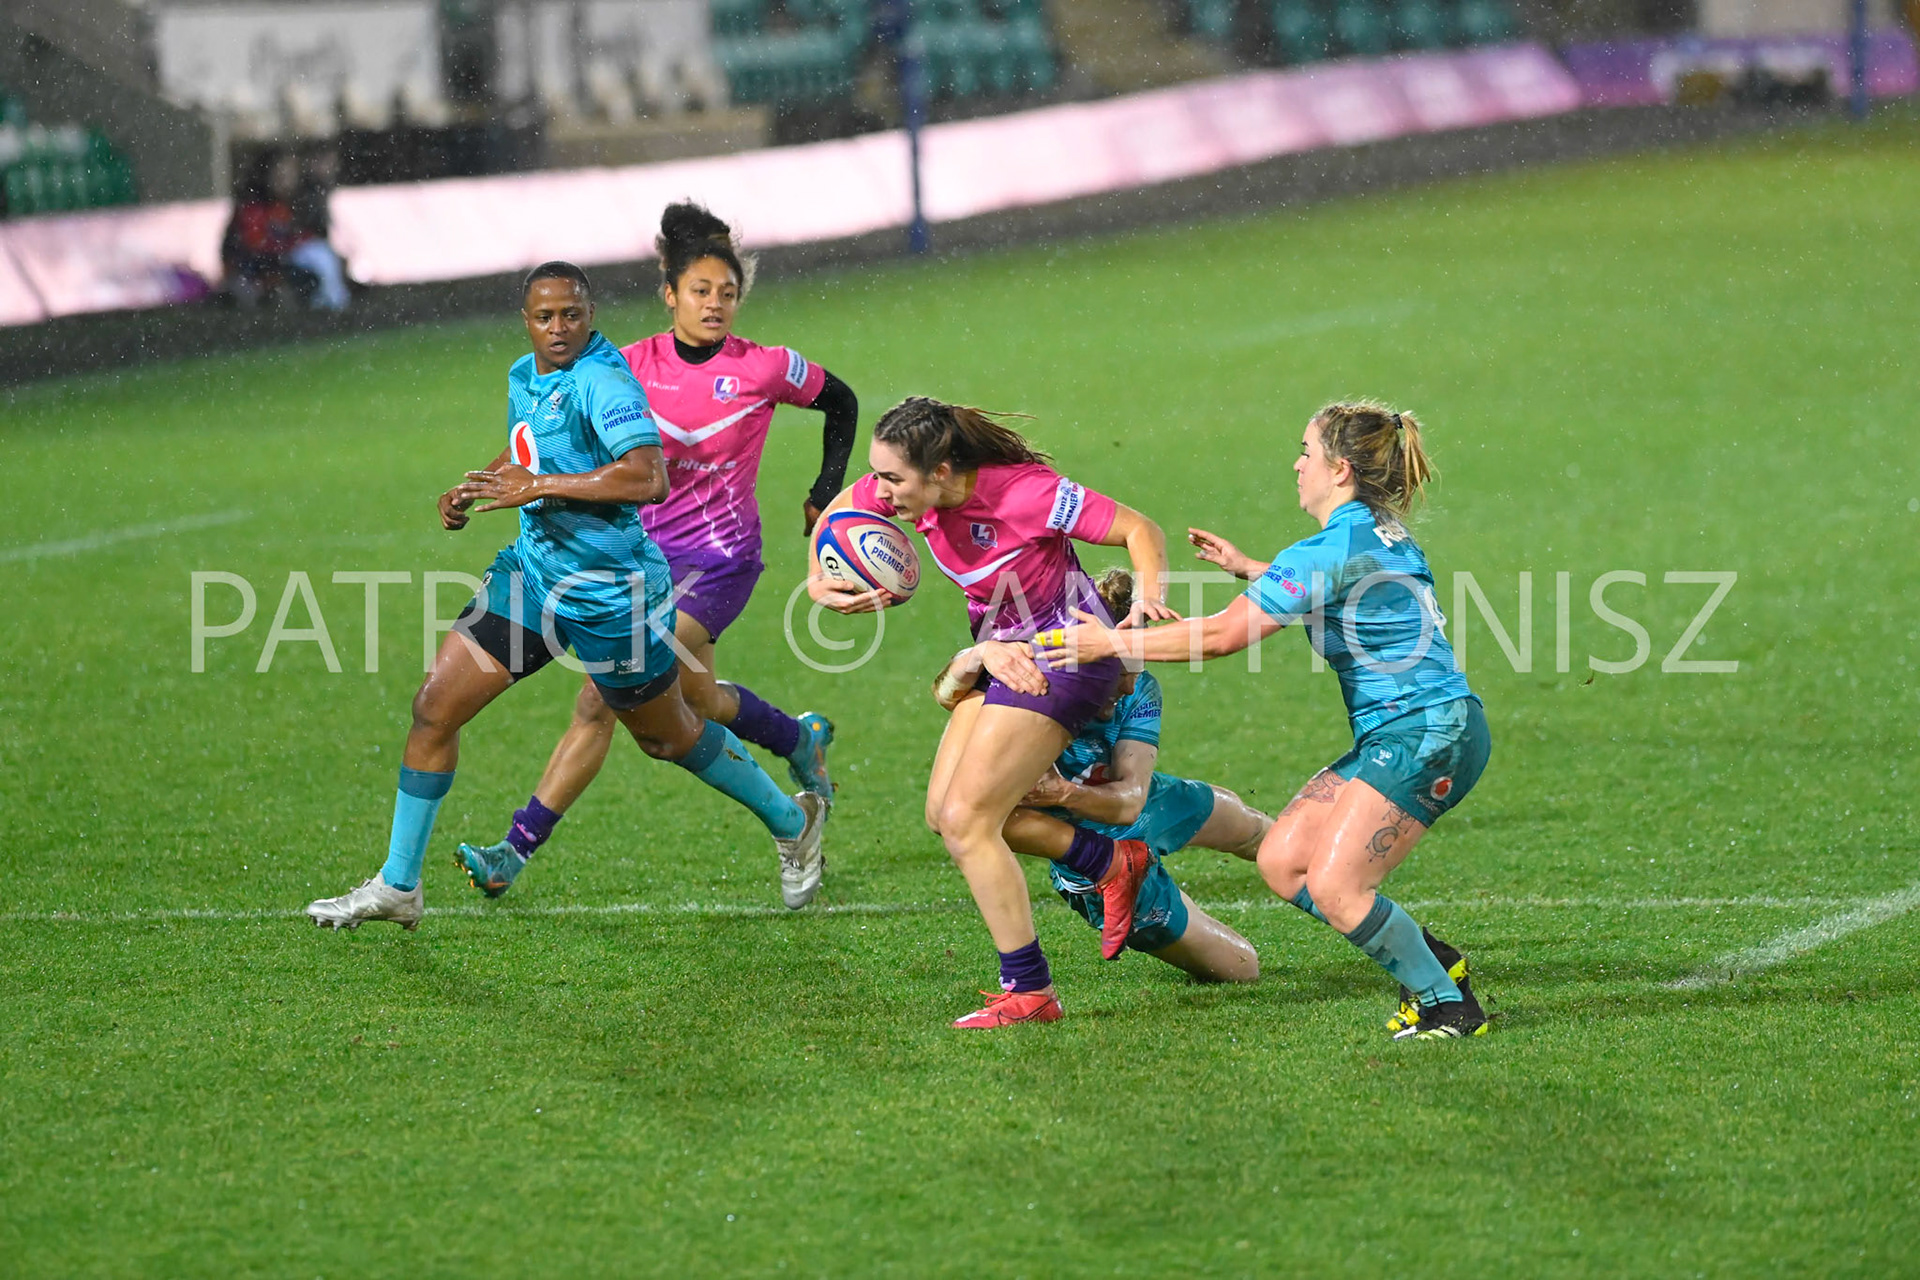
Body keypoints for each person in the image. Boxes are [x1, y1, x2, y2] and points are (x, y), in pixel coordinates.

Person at [305, 261, 825, 931]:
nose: (558, 328)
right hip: (532, 578)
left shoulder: (604, 382)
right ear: (526, 321)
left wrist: (540, 488)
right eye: (545, 317)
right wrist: (478, 484)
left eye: (571, 315)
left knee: (666, 737)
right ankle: (399, 884)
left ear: (590, 315)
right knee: (434, 708)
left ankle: (792, 820)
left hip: (611, 597)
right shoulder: (526, 375)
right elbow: (531, 448)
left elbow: (649, 477)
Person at [1037, 401, 1491, 1039]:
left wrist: (1111, 643)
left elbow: (1223, 636)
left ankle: (1449, 1006)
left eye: (1306, 452)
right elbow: (1350, 589)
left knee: (1337, 887)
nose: (1298, 465)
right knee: (1283, 859)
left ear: (1339, 469)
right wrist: (1255, 571)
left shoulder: (1328, 550)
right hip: (1412, 728)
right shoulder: (1376, 531)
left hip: (1427, 732)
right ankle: (1431, 960)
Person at [455, 203, 855, 909]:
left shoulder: (764, 367)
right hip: (644, 559)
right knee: (697, 698)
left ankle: (512, 854)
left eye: (727, 293)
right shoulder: (627, 366)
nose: (715, 304)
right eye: (701, 290)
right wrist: (490, 482)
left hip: (722, 561)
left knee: (598, 699)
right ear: (670, 294)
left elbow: (842, 401)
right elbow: (546, 435)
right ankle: (798, 739)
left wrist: (825, 492)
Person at [810, 397, 1176, 1028]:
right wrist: (819, 576)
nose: (881, 491)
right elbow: (840, 512)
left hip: (1066, 654)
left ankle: (1031, 991)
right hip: (1002, 653)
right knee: (944, 815)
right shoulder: (907, 492)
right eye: (878, 475)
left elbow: (1140, 531)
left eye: (893, 479)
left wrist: (1142, 608)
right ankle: (1110, 862)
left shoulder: (1028, 494)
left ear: (941, 472)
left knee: (967, 820)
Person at [934, 568, 1272, 983]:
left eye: (1137, 665)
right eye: (1120, 671)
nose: (1130, 686)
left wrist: (1062, 792)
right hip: (1093, 856)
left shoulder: (1139, 689)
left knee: (1257, 830)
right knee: (1242, 969)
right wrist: (977, 653)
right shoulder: (1029, 683)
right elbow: (953, 696)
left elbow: (1130, 801)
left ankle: (1326, 874)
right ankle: (1139, 885)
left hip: (1133, 803)